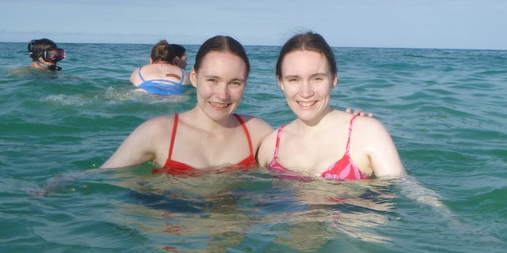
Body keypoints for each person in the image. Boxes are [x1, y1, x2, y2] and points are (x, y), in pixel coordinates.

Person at [103, 35, 273, 173]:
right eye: (212, 80)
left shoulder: (258, 133)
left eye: (235, 83)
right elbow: (99, 182)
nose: (223, 95)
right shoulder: (157, 132)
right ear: (193, 77)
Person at [257, 32, 405, 179]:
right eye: (294, 79)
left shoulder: (366, 132)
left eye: (317, 78)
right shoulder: (270, 147)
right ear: (281, 83)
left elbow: (405, 188)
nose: (306, 92)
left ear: (333, 79)